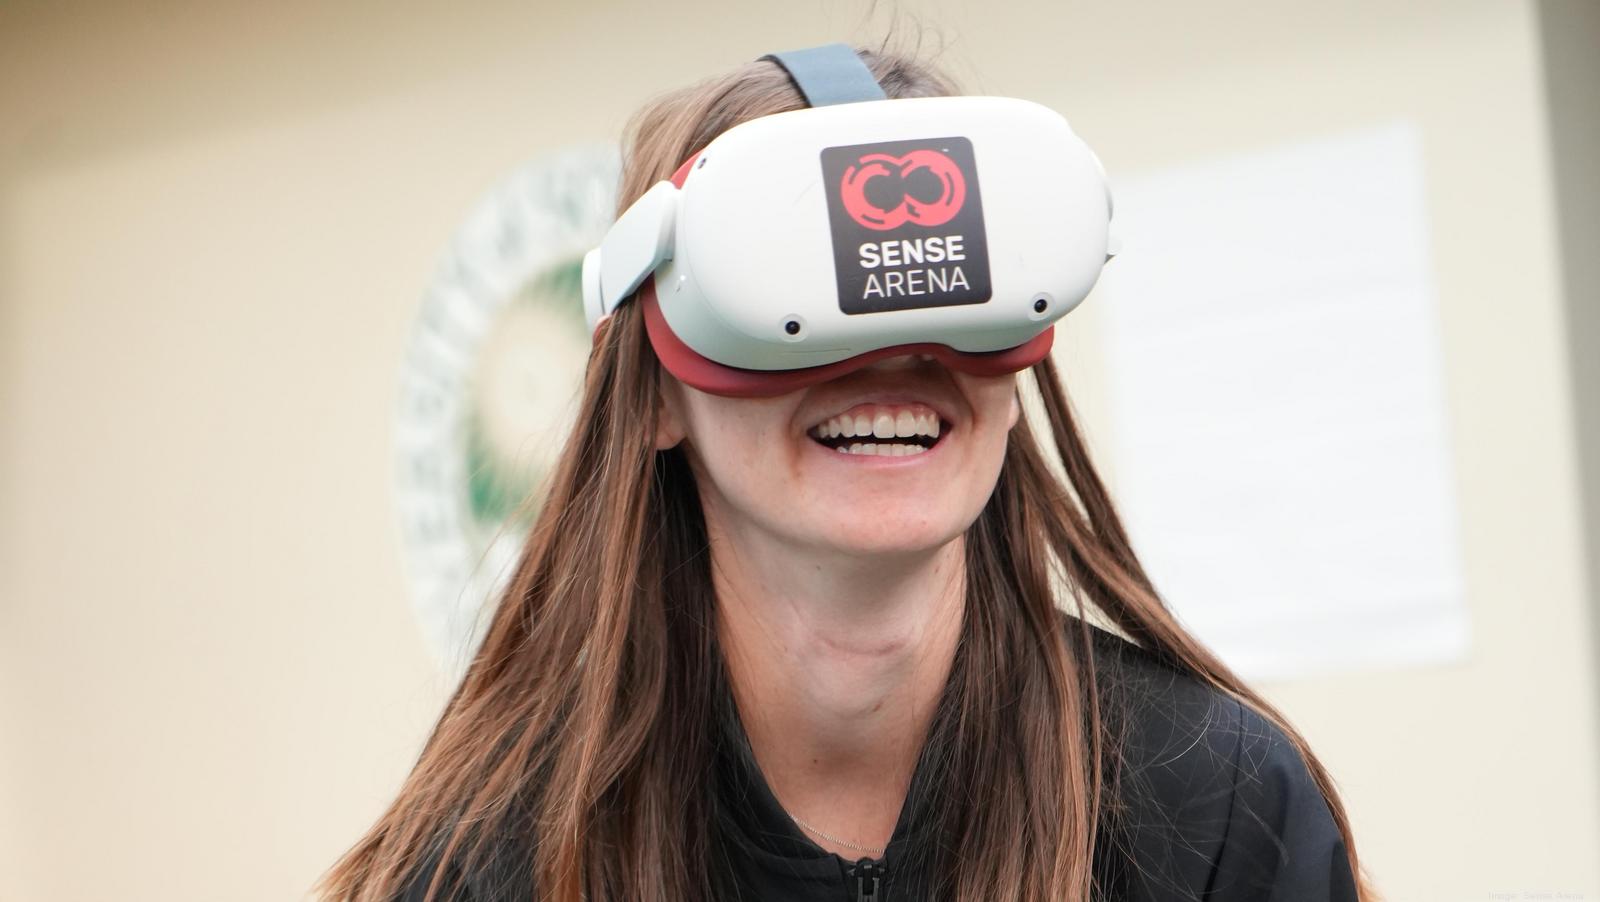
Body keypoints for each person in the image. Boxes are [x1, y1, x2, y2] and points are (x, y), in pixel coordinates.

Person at [318, 42, 1375, 902]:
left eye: (951, 290)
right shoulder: (491, 864)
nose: (890, 357)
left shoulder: (1216, 803)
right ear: (648, 395)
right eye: (790, 300)